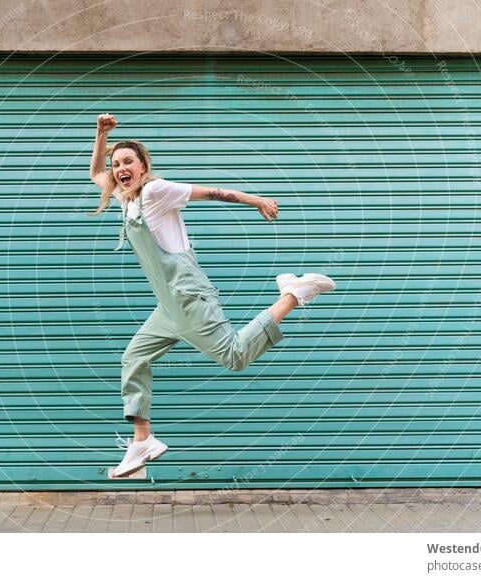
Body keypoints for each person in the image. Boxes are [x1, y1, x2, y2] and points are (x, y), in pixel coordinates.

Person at [89, 113, 336, 477]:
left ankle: (293, 294)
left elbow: (212, 192)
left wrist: (256, 200)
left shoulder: (157, 192)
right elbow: (96, 173)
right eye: (117, 164)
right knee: (133, 358)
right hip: (168, 306)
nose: (119, 168)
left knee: (235, 356)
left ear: (143, 167)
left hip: (189, 296)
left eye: (128, 162)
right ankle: (143, 441)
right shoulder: (127, 199)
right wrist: (101, 135)